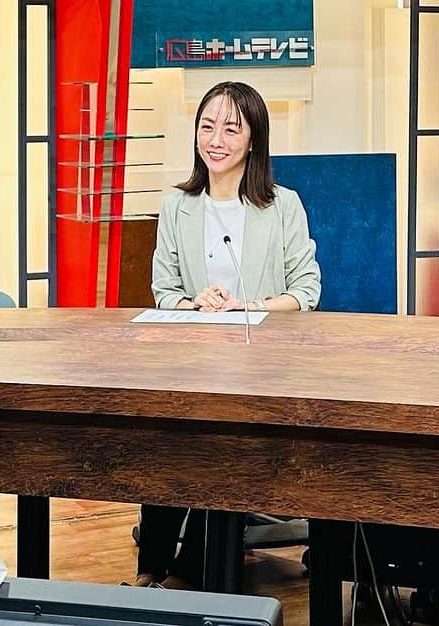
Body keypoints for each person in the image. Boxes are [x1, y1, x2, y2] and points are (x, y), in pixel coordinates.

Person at [131, 80, 321, 589]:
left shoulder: (282, 206)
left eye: (231, 129)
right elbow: (164, 290)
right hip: (189, 366)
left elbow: (306, 291)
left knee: (221, 451)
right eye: (207, 126)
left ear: (254, 139)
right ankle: (151, 570)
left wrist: (249, 306)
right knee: (164, 439)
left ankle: (189, 577)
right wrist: (194, 304)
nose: (215, 140)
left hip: (258, 371)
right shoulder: (177, 204)